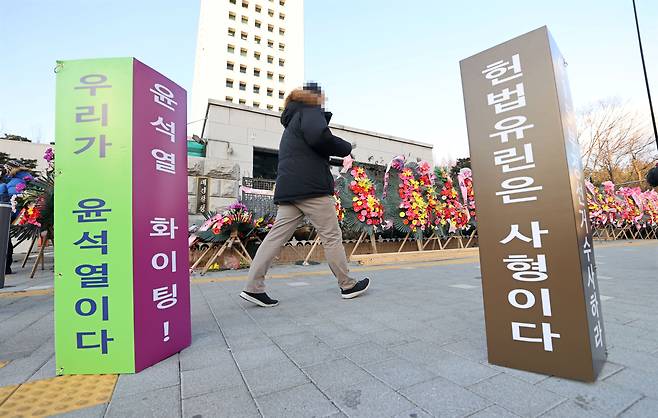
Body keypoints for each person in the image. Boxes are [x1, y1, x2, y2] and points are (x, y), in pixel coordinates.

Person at [240, 83, 370, 307]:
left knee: (274, 238)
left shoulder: (292, 123)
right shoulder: (310, 111)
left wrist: (338, 161)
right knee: (331, 236)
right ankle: (347, 284)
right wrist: (346, 146)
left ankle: (253, 287)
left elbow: (309, 153)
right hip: (312, 189)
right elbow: (320, 138)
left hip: (290, 189)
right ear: (314, 97)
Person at [0, 161, 33, 275]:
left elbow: (13, 205)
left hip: (12, 217)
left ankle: (5, 267)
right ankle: (5, 267)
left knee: (4, 240)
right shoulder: (26, 179)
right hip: (23, 217)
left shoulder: (13, 183)